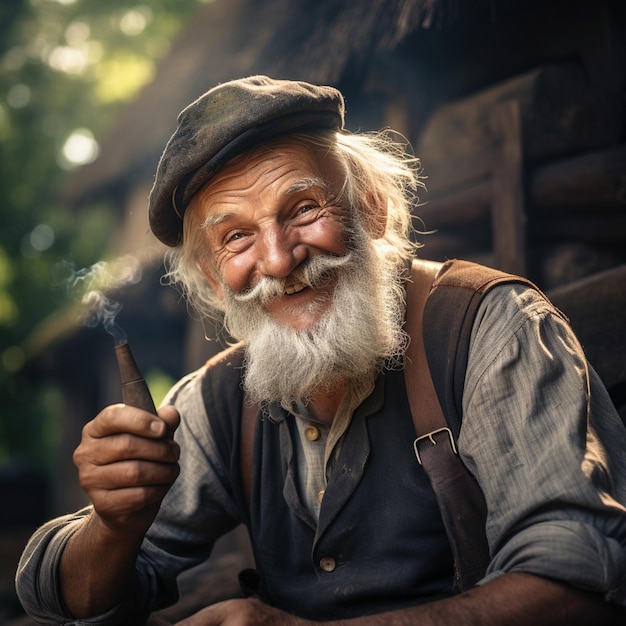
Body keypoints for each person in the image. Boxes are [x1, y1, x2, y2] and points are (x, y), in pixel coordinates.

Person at [16, 75, 626, 625]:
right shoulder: (223, 398)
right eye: (237, 238)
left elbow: (579, 578)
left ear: (372, 208)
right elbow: (47, 590)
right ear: (210, 277)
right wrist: (114, 524)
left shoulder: (489, 330)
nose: (279, 260)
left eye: (303, 209)